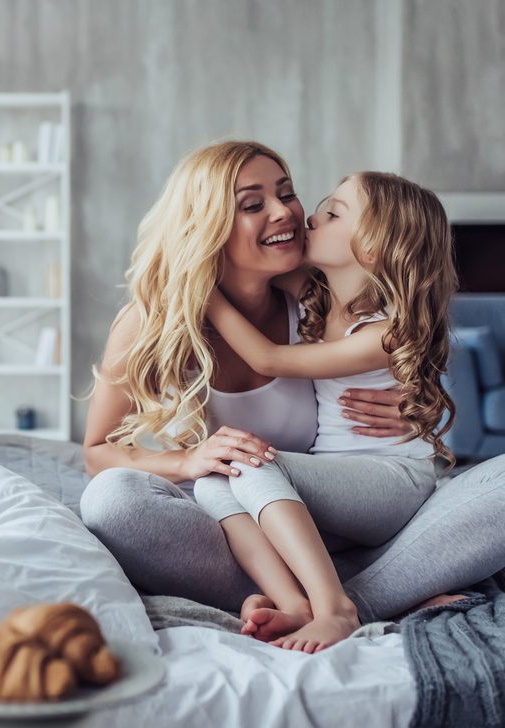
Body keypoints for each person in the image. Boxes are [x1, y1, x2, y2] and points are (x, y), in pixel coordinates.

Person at [80, 140, 505, 626]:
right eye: (254, 204)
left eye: (288, 193)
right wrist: (187, 461)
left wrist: (414, 405)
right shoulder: (151, 323)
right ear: (206, 225)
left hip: (350, 508)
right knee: (113, 500)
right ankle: (357, 592)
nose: (288, 213)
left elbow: (408, 348)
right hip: (252, 530)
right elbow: (97, 452)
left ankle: (336, 602)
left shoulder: (323, 293)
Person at [193, 172, 456, 653]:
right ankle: (293, 601)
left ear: (374, 249)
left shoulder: (384, 332)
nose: (310, 217)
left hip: (389, 481)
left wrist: (203, 293)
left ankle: (336, 608)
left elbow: (268, 359)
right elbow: (246, 264)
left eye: (333, 213)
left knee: (253, 462)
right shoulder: (317, 294)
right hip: (337, 484)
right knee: (214, 476)